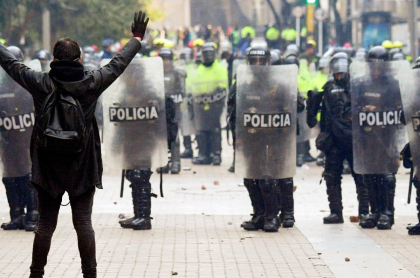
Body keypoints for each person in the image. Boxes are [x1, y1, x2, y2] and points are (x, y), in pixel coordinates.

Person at [0, 11, 149, 278]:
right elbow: (118, 63)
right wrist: (136, 39)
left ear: (54, 59)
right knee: (83, 223)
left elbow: (11, 64)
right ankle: (89, 274)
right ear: (80, 58)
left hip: (47, 165)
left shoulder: (41, 82)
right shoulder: (91, 82)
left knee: (45, 224)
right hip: (82, 164)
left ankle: (36, 274)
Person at [228, 47, 303, 231]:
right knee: (249, 177)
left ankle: (272, 217)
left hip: (275, 137)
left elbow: (298, 105)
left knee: (268, 179)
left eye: (261, 62)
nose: (258, 65)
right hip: (251, 138)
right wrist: (236, 137)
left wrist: (286, 107)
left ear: (269, 62)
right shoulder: (242, 84)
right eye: (254, 61)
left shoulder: (280, 83)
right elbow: (233, 112)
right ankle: (259, 214)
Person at [306, 52, 369, 225]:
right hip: (334, 139)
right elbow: (317, 116)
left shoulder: (357, 86)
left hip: (353, 139)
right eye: (338, 72)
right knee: (331, 176)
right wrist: (312, 102)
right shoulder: (328, 88)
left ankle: (364, 211)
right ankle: (336, 212)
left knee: (360, 176)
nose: (340, 74)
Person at [352, 46, 401, 230]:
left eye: (380, 66)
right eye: (373, 66)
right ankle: (375, 211)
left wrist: (381, 111)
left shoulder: (394, 85)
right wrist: (362, 111)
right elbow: (353, 108)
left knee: (386, 176)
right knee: (370, 174)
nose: (376, 70)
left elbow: (401, 111)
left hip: (387, 137)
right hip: (367, 136)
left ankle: (387, 213)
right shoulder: (361, 84)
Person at [0, 46, 39, 232]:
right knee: (9, 177)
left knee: (29, 176)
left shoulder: (29, 83)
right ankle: (16, 215)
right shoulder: (1, 87)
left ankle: (33, 214)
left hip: (28, 139)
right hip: (8, 141)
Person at [190, 42, 228, 166]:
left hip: (215, 105)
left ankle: (216, 155)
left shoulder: (220, 68)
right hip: (200, 105)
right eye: (205, 54)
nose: (208, 57)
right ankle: (203, 155)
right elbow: (193, 87)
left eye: (210, 54)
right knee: (201, 130)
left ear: (215, 55)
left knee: (215, 130)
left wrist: (211, 95)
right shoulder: (198, 70)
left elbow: (222, 86)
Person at [158, 48, 183, 174]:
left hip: (173, 110)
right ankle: (163, 162)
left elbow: (182, 91)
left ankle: (176, 162)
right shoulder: (155, 74)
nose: (165, 62)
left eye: (167, 59)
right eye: (163, 59)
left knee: (175, 137)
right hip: (159, 110)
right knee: (160, 137)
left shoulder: (176, 74)